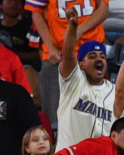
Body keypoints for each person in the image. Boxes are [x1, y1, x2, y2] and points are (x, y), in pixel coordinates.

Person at [27, 0, 108, 129]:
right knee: (54, 121)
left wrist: (79, 29)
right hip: (58, 55)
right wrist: (50, 47)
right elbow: (36, 13)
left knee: (94, 118)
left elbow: (103, 9)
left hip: (91, 51)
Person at [53, 11, 112, 153]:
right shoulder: (72, 83)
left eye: (102, 56)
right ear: (81, 64)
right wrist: (73, 26)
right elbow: (67, 55)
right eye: (92, 56)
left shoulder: (115, 91)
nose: (99, 59)